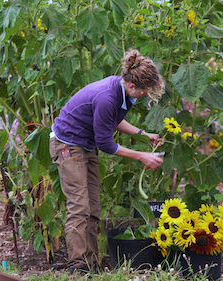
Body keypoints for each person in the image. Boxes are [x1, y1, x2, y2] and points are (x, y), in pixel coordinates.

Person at [49, 49, 165, 273]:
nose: (144, 95)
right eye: (144, 91)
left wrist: (142, 134)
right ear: (132, 86)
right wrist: (141, 155)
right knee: (79, 206)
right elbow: (106, 144)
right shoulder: (107, 96)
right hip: (67, 145)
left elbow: (113, 121)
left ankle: (90, 261)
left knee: (93, 206)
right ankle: (78, 265)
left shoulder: (122, 92)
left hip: (84, 145)